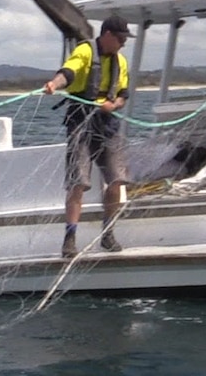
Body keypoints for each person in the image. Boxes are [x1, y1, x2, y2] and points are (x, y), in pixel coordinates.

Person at [43, 15, 134, 258]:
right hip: (80, 121)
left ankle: (108, 234)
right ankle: (70, 239)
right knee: (78, 183)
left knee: (116, 180)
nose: (124, 43)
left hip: (107, 123)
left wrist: (113, 106)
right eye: (121, 38)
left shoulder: (121, 62)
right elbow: (68, 73)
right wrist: (54, 84)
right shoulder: (84, 51)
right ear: (107, 36)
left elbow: (123, 94)